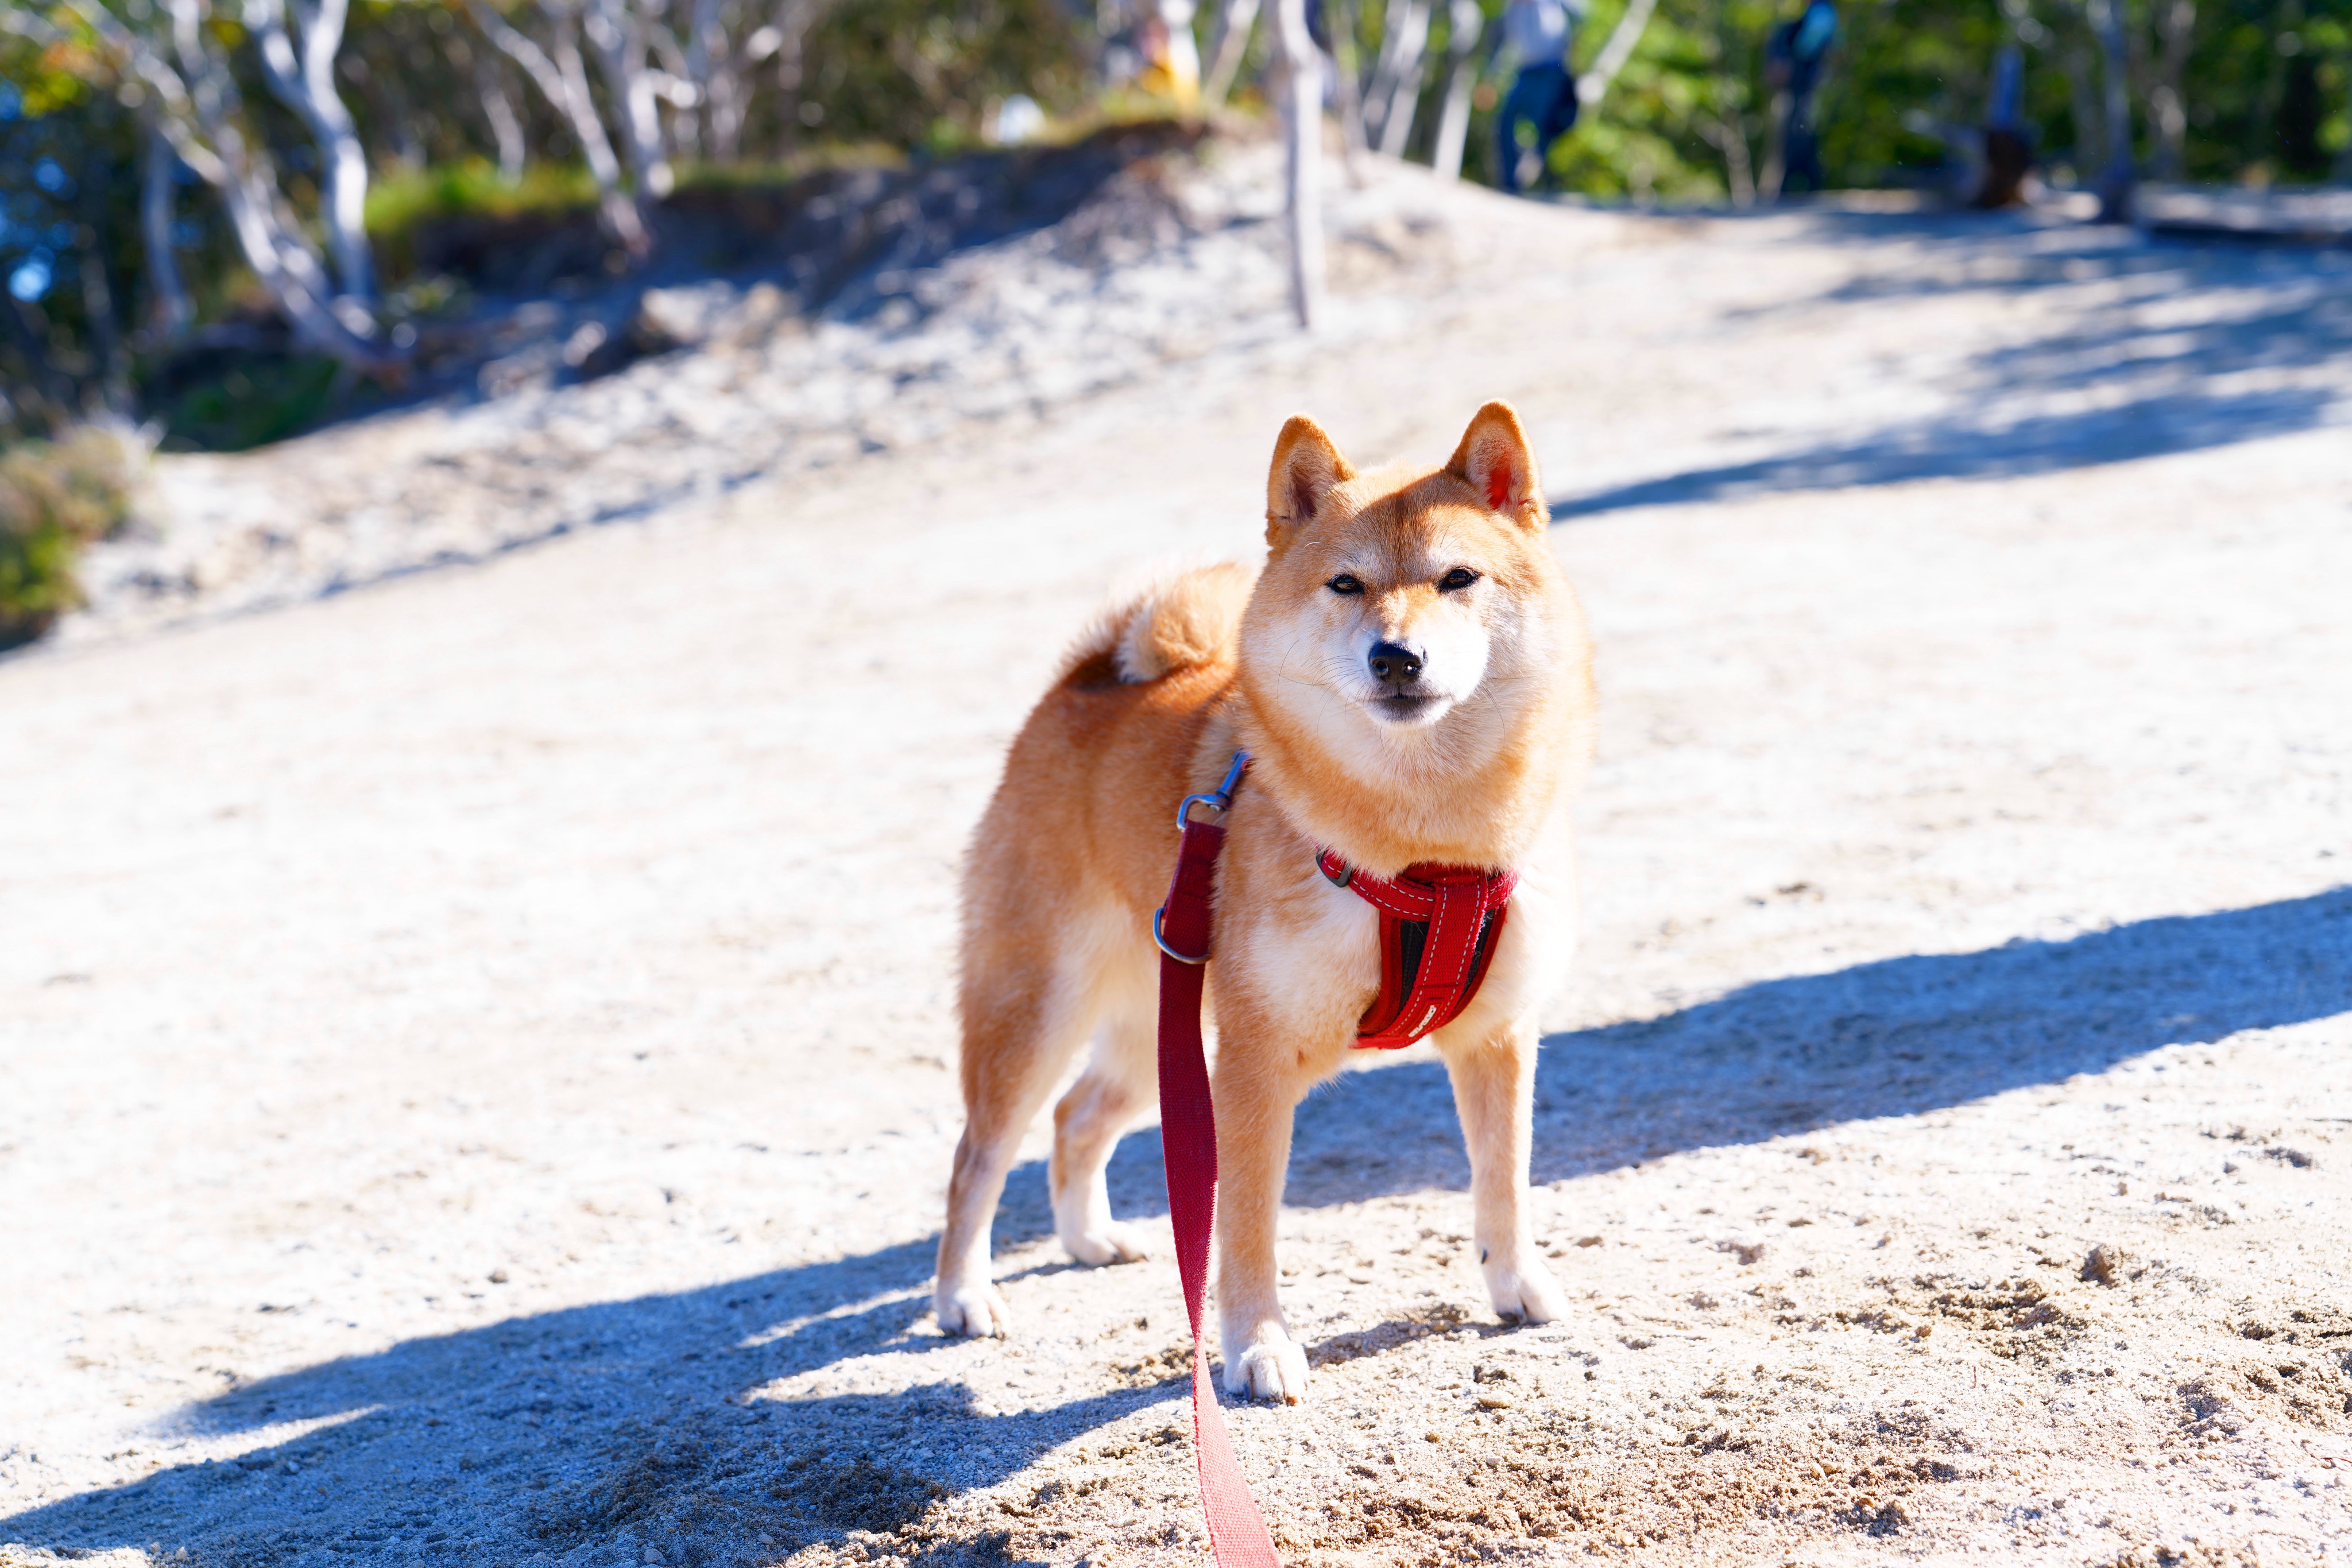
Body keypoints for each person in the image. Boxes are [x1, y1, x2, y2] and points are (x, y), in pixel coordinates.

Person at [1495, 0, 1585, 194]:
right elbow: (1505, 40)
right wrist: (1491, 75)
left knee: (1545, 126)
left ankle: (1547, 182)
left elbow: (1581, 13)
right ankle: (1510, 183)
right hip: (1525, 71)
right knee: (1505, 122)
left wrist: (1573, 46)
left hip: (1552, 70)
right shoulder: (1512, 7)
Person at [1765, 0, 1838, 195]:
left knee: (1800, 131)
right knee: (1800, 129)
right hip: (1806, 85)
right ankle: (1802, 185)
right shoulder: (1819, 12)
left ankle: (1800, 185)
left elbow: (1811, 44)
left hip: (1808, 85)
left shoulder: (1821, 10)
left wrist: (1789, 59)